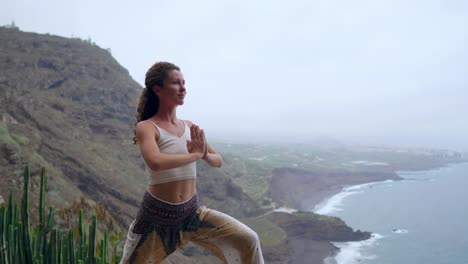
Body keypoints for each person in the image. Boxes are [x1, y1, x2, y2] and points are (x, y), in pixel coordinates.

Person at [120, 61, 264, 264]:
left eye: (184, 82)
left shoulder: (189, 126)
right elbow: (155, 162)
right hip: (157, 219)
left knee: (248, 239)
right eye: (176, 83)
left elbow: (218, 161)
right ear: (158, 89)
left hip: (193, 213)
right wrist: (194, 156)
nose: (183, 88)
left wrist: (204, 154)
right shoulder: (147, 127)